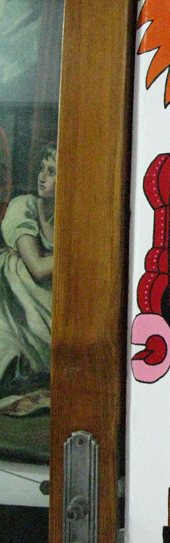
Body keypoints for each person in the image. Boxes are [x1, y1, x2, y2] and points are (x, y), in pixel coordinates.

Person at [0, 143, 56, 410]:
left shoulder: (73, 217)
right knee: (11, 265)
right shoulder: (23, 206)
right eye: (42, 168)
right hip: (13, 301)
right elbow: (37, 268)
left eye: (52, 172)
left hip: (48, 302)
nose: (42, 177)